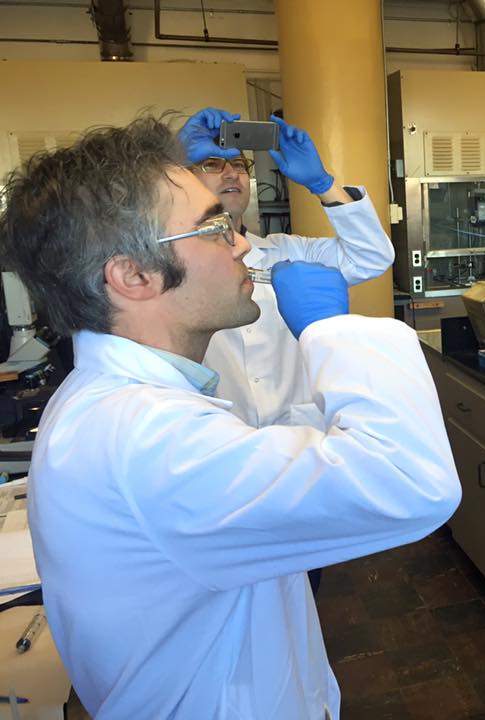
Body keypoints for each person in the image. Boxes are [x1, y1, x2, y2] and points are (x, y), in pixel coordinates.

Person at [0, 116, 460, 719]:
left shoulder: (123, 402)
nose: (242, 242)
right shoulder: (149, 435)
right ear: (134, 275)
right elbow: (413, 482)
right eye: (213, 228)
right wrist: (331, 330)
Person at [178, 107, 394, 428]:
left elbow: (372, 255)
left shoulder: (287, 250)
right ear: (184, 179)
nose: (231, 172)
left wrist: (323, 184)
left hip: (299, 437)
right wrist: (171, 159)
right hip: (219, 439)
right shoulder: (168, 260)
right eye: (212, 164)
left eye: (239, 164)